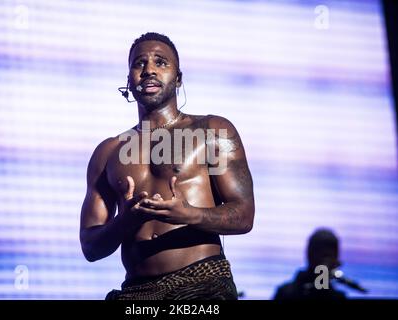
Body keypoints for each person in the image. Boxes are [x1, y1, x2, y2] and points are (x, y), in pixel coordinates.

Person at [79, 32, 255, 300]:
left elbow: (244, 216)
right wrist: (124, 222)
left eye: (161, 62)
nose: (149, 70)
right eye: (139, 64)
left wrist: (189, 214)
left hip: (203, 286)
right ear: (129, 80)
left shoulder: (212, 130)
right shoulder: (108, 152)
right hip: (137, 294)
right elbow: (91, 248)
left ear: (179, 78)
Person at [273, 228, 347, 300]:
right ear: (311, 255)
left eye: (332, 256)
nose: (328, 262)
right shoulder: (285, 294)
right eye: (325, 256)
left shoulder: (338, 297)